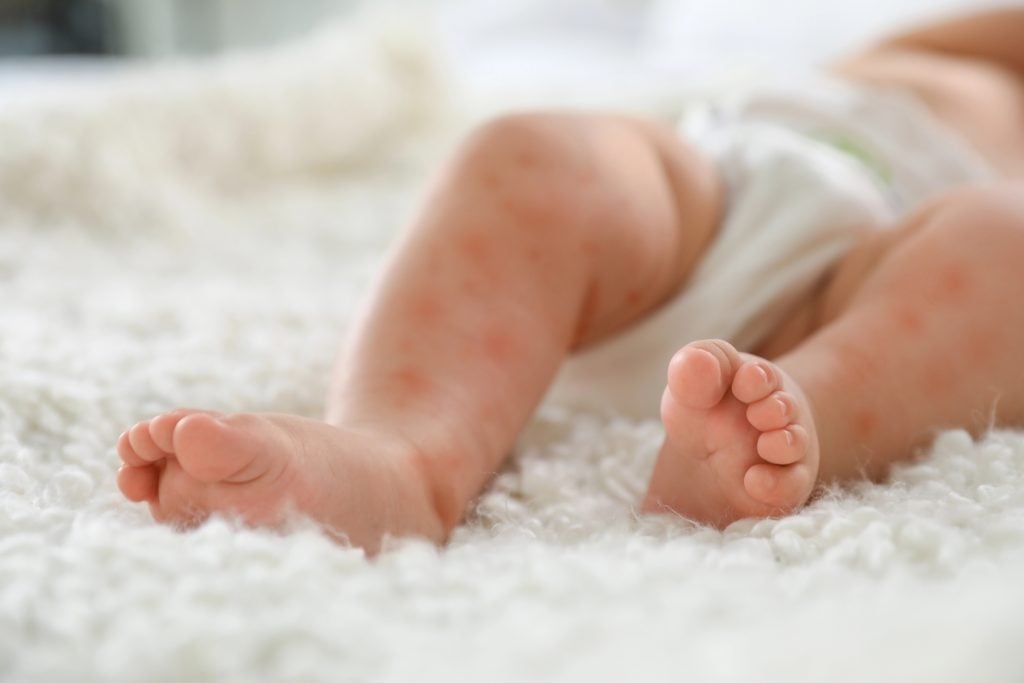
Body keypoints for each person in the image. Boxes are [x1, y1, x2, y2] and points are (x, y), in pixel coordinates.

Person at [115, 8, 1024, 553]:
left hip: (876, 269)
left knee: (1004, 243)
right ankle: (403, 456)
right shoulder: (957, 48)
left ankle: (796, 420)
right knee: (531, 156)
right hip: (723, 182)